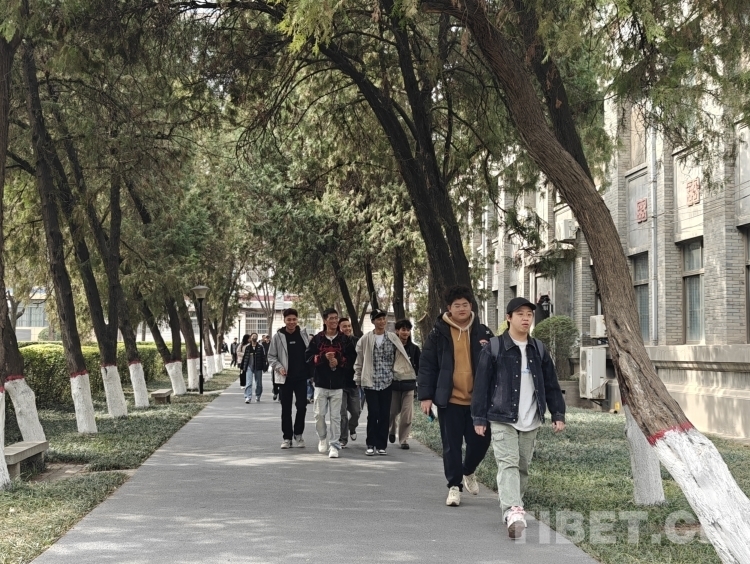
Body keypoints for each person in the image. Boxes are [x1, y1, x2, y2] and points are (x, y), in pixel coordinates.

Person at [472, 297, 566, 539]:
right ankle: (513, 510)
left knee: (523, 466)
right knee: (508, 463)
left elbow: (551, 384)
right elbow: (481, 386)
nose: (526, 318)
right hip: (502, 417)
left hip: (531, 418)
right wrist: (479, 417)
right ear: (509, 318)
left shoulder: (539, 349)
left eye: (529, 314)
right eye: (520, 314)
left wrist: (557, 413)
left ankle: (514, 507)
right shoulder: (494, 347)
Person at [417, 285, 494, 508]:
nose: (462, 309)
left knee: (481, 442)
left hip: (478, 402)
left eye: (465, 304)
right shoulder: (438, 333)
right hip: (449, 399)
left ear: (471, 306)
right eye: (457, 305)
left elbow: (495, 364)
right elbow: (427, 365)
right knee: (451, 445)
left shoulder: (483, 332)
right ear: (449, 308)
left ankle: (468, 470)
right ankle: (454, 486)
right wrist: (426, 396)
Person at [354, 308, 414, 456]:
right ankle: (370, 443)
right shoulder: (365, 339)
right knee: (373, 413)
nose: (382, 321)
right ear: (373, 321)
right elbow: (359, 360)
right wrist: (358, 377)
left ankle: (382, 445)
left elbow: (400, 355)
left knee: (384, 413)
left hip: (387, 381)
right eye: (378, 319)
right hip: (370, 381)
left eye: (383, 319)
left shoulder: (392, 338)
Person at [306, 308, 349, 459]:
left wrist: (339, 361)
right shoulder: (317, 339)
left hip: (338, 384)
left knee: (336, 417)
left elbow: (351, 359)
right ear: (325, 320)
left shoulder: (344, 339)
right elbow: (308, 358)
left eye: (336, 318)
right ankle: (322, 437)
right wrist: (322, 357)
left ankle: (334, 445)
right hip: (320, 383)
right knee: (319, 415)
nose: (334, 321)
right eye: (331, 318)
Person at [268, 309, 310, 449]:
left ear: (297, 320)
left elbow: (310, 353)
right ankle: (287, 438)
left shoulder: (303, 335)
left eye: (294, 319)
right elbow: (271, 356)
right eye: (289, 319)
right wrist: (279, 367)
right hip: (285, 379)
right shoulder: (278, 337)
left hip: (301, 378)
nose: (292, 322)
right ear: (284, 320)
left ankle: (298, 434)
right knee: (286, 409)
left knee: (302, 407)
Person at [389, 319, 420, 449]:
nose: (405, 332)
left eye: (408, 330)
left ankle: (403, 440)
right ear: (397, 331)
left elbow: (419, 366)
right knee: (392, 412)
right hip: (394, 385)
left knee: (407, 415)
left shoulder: (414, 349)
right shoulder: (391, 347)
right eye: (403, 329)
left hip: (409, 386)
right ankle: (391, 429)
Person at [337, 317, 361, 448]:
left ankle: (352, 427)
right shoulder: (336, 342)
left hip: (354, 383)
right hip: (340, 384)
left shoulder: (357, 341)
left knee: (356, 412)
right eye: (344, 326)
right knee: (342, 414)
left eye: (348, 326)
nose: (347, 328)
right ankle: (343, 439)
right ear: (339, 328)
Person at [241, 333, 266, 403]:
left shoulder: (260, 347)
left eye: (255, 336)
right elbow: (245, 357)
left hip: (258, 367)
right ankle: (248, 397)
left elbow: (263, 357)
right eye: (253, 336)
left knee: (259, 383)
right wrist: (243, 366)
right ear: (251, 338)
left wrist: (264, 367)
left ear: (257, 338)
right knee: (249, 383)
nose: (254, 337)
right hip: (249, 367)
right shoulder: (247, 347)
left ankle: (258, 395)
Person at [261, 334, 277, 401]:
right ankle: (275, 392)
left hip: (279, 363)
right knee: (274, 379)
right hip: (271, 359)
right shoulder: (264, 344)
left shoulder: (272, 343)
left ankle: (280, 395)